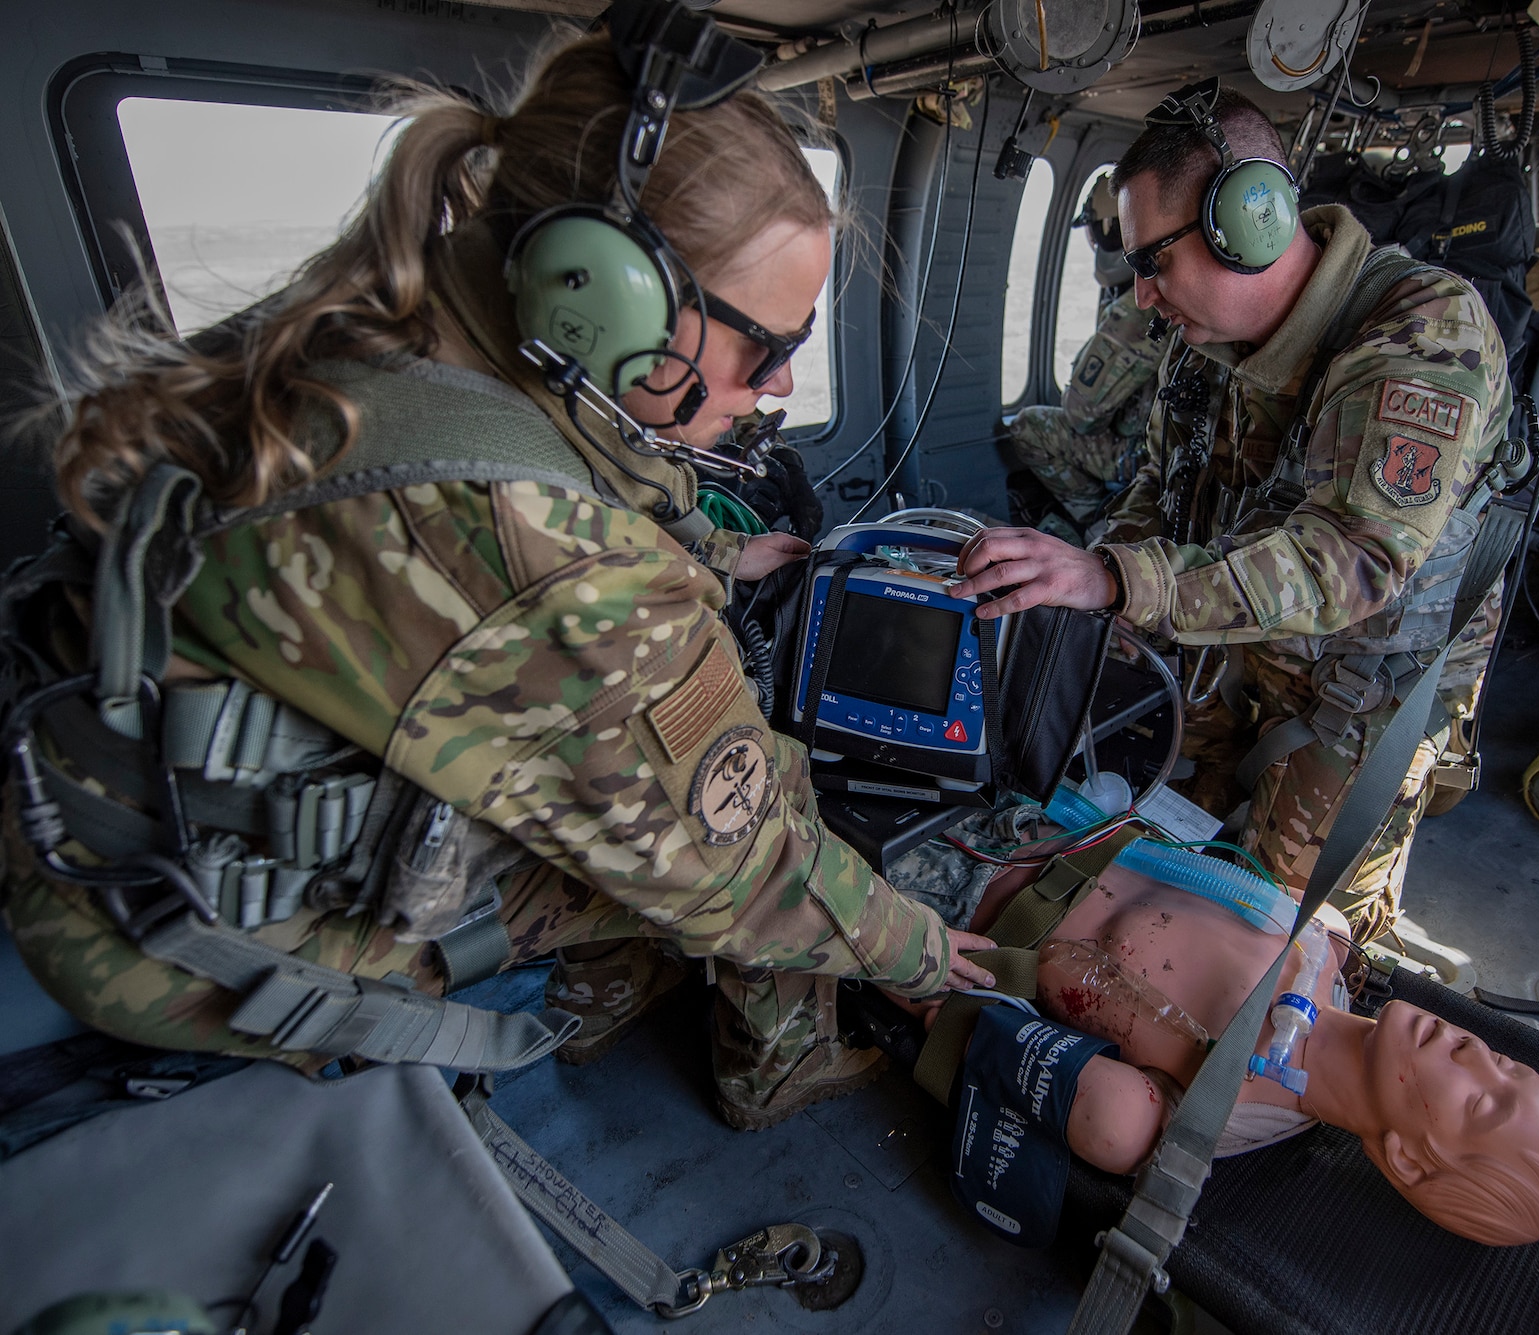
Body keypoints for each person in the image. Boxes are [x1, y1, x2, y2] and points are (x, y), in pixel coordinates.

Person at [2, 12, 995, 1132]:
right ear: (605, 297)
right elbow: (745, 872)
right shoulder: (546, 559)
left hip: (96, 817)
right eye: (762, 347)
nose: (772, 388)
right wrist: (914, 948)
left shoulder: (395, 314)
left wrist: (716, 554)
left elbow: (530, 508)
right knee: (772, 800)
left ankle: (605, 992)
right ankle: (773, 1066)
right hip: (182, 929)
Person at [956, 81, 1512, 940]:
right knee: (1144, 840)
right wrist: (1088, 588)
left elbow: (1353, 558)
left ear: (1249, 225)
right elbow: (1162, 480)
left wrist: (1115, 579)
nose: (1141, 293)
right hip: (1242, 625)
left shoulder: (1425, 333)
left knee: (1283, 933)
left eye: (1153, 262)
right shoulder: (1204, 340)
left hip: (1367, 669)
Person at [923, 861, 1539, 1248]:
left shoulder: (1187, 1113)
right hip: (1033, 793)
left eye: (1481, 1099)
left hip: (933, 890)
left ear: (1408, 1158)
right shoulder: (1322, 936)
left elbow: (949, 1013)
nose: (1474, 1050)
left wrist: (889, 946)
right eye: (1505, 1062)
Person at [1009, 176, 1167, 536]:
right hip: (1159, 449)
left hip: (1139, 457)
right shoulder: (1163, 294)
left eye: (1095, 232)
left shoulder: (1136, 310)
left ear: (1112, 231)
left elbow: (1081, 415)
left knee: (1027, 425)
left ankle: (1092, 518)